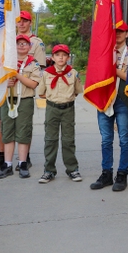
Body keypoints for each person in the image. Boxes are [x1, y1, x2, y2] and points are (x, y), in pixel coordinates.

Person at [0, 10, 46, 171]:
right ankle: (4, 158)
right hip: (6, 94)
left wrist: (20, 76)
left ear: (29, 22)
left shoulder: (36, 43)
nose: (21, 23)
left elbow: (39, 69)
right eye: (18, 21)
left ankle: (23, 158)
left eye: (25, 20)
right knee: (2, 124)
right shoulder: (7, 40)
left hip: (24, 91)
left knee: (23, 127)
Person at [90, 22, 128, 191]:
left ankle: (122, 174)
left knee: (124, 139)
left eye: (122, 31)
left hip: (122, 100)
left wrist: (112, 70)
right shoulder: (104, 51)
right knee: (106, 139)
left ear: (127, 34)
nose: (118, 34)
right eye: (116, 32)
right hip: (104, 99)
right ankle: (106, 173)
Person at [36, 44, 84, 183]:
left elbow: (76, 91)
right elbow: (41, 92)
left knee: (68, 140)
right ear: (53, 57)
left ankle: (72, 169)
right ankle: (49, 170)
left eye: (64, 55)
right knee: (50, 140)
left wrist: (65, 99)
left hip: (68, 109)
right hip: (52, 109)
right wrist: (54, 99)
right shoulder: (47, 73)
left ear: (68, 57)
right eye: (58, 55)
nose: (61, 57)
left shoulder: (73, 73)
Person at [0, 35, 41, 179]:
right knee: (7, 131)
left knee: (23, 132)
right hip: (8, 99)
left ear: (29, 47)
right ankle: (7, 164)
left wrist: (17, 76)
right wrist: (4, 83)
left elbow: (33, 84)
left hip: (25, 101)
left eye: (24, 44)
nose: (21, 46)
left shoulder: (33, 63)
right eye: (18, 43)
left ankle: (22, 163)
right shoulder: (6, 63)